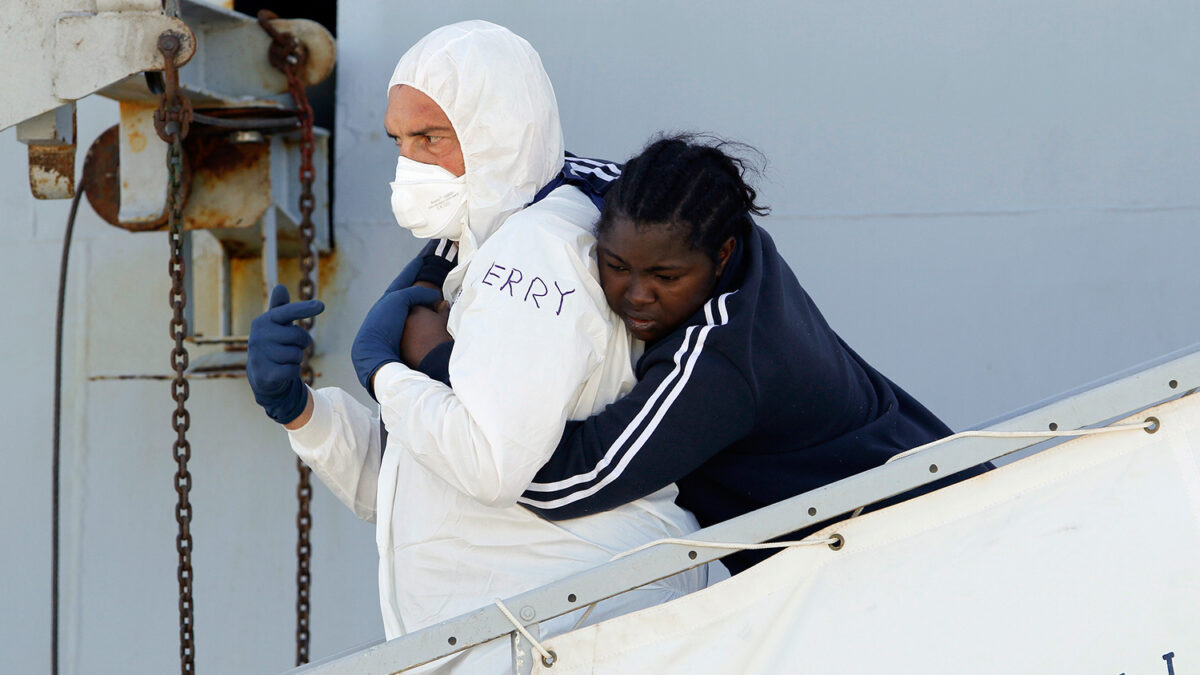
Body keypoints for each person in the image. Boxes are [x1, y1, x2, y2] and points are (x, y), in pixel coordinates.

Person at [245, 22, 709, 673]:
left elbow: (487, 462)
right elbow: (429, 484)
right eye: (399, 140)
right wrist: (304, 413)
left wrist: (381, 371)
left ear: (499, 131)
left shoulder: (541, 247)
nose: (410, 164)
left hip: (579, 631)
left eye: (431, 137)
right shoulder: (481, 254)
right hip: (531, 632)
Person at [472, 135, 987, 575]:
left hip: (922, 548)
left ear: (720, 256)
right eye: (614, 265)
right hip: (931, 493)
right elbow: (562, 177)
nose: (637, 294)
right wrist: (434, 267)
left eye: (666, 278)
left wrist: (429, 361)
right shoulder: (682, 218)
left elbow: (565, 485)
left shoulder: (724, 359)